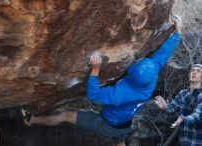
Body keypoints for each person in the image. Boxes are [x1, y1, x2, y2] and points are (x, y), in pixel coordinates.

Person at [22, 16, 182, 146]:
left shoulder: (121, 93)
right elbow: (163, 55)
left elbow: (94, 94)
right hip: (125, 125)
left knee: (66, 115)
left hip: (108, 124)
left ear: (132, 73)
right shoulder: (151, 78)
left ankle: (32, 120)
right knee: (119, 141)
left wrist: (96, 69)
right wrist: (178, 32)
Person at [155, 63, 202, 146]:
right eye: (192, 70)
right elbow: (171, 108)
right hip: (183, 140)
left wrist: (183, 119)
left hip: (197, 141)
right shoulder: (182, 93)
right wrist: (165, 108)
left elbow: (197, 115)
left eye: (198, 71)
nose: (194, 72)